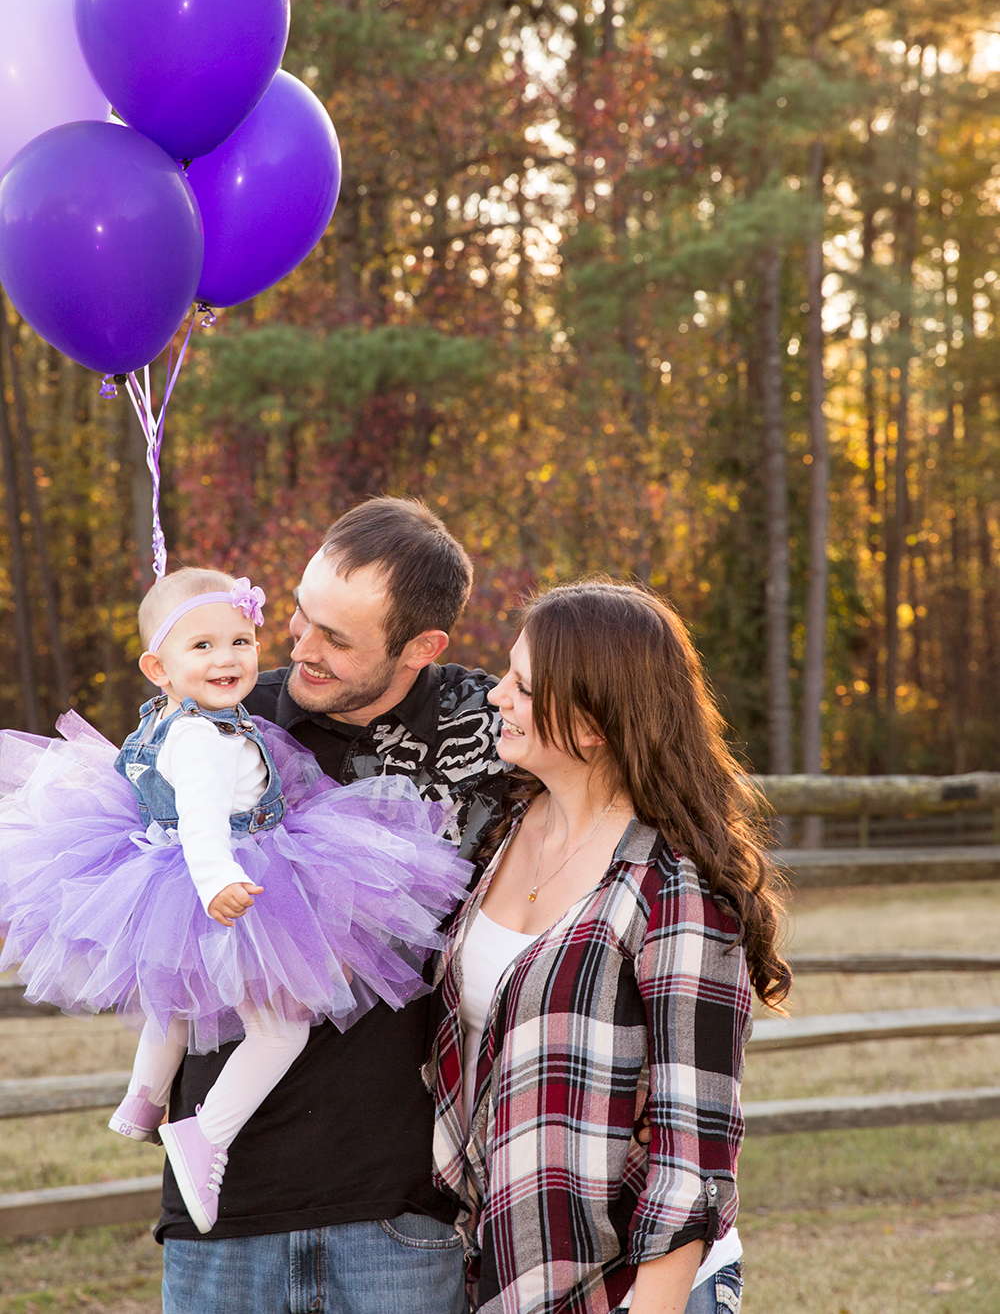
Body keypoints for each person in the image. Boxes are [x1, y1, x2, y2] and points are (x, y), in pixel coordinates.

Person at [0, 566, 471, 1238]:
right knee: (282, 1027)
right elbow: (197, 817)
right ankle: (207, 1136)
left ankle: (141, 1099)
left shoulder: (176, 719)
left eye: (241, 641)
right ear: (157, 667)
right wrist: (219, 878)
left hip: (177, 873)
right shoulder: (198, 738)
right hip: (230, 875)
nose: (227, 658)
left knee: (181, 997)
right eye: (202, 647)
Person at [156, 499, 509, 1314]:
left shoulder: (495, 731)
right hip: (225, 1212)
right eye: (300, 617)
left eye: (338, 640)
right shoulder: (222, 722)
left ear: (423, 648)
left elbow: (629, 775)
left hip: (402, 1209)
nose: (300, 650)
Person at [424, 580, 792, 1314]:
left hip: (631, 1287)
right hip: (501, 1275)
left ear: (591, 724)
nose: (496, 696)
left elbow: (693, 1156)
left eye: (523, 687)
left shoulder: (673, 888)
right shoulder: (498, 831)